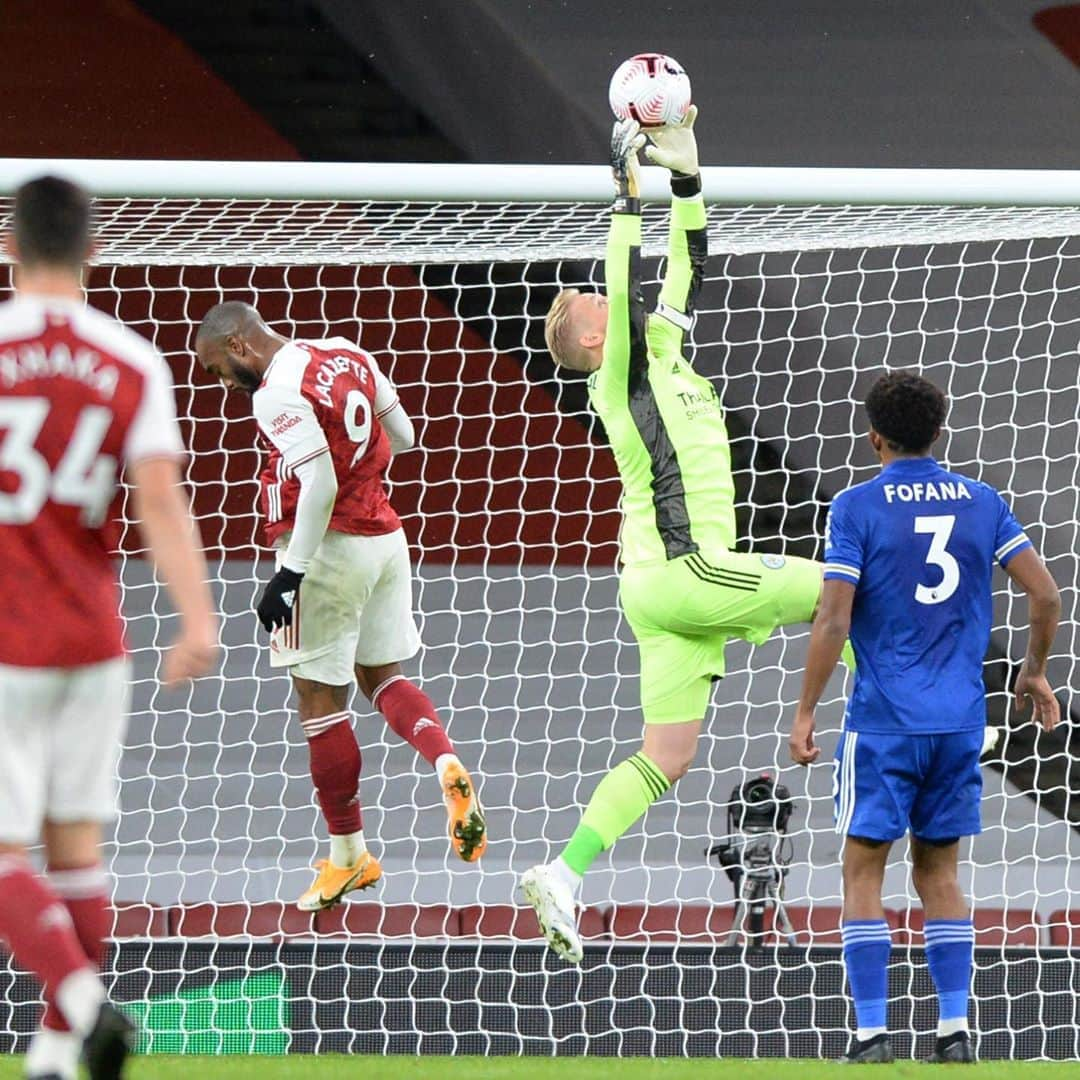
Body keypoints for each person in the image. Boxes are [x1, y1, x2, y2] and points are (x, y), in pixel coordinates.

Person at [522, 110, 849, 962]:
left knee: (665, 758)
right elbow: (631, 274)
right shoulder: (618, 372)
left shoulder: (663, 356)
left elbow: (684, 267)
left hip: (656, 594)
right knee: (844, 588)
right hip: (688, 568)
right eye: (599, 302)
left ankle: (565, 871)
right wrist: (627, 198)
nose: (611, 300)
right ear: (595, 336)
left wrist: (690, 180)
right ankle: (908, 727)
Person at [0, 176, 218, 1080]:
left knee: (6, 853)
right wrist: (197, 619)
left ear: (9, 248)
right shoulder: (133, 361)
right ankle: (56, 1060)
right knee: (78, 852)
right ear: (94, 251)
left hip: (6, 635)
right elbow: (159, 501)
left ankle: (86, 1009)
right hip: (95, 639)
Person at [789, 370, 1060, 1065]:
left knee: (861, 873)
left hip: (882, 722)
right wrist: (1032, 672)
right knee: (940, 874)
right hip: (958, 723)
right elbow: (1046, 595)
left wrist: (806, 708)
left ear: (874, 435)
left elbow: (833, 615)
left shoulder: (855, 506)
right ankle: (953, 1031)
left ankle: (873, 1034)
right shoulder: (983, 502)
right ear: (939, 431)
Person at [195, 302, 487, 912]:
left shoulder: (274, 393)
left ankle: (349, 856)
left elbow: (321, 485)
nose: (224, 384)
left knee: (319, 704)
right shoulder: (345, 350)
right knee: (383, 677)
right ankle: (445, 758)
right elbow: (403, 436)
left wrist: (291, 574)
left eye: (220, 369)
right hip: (385, 538)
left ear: (241, 347)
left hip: (327, 554)